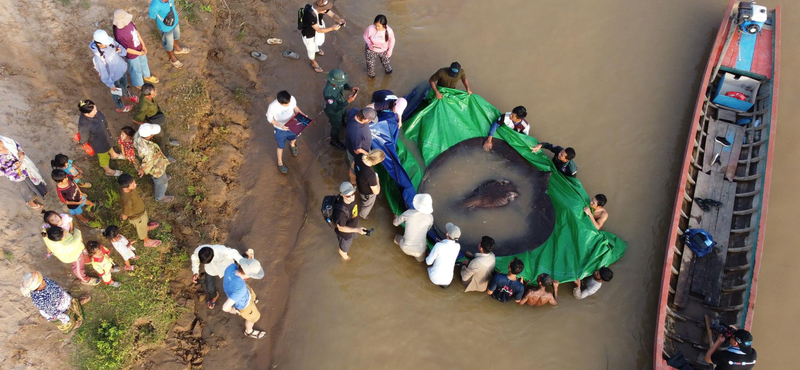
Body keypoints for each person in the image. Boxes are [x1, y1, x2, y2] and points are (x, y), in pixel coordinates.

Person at [20, 271, 91, 334]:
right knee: (68, 319)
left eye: (42, 279)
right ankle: (73, 325)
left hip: (61, 298)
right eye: (41, 282)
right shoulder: (42, 301)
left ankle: (75, 304)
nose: (44, 281)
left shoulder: (43, 281)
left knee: (71, 303)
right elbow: (54, 313)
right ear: (36, 288)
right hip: (58, 310)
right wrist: (65, 319)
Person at [90, 29, 136, 113]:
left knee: (125, 85)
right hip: (114, 79)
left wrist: (120, 51)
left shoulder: (110, 42)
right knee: (117, 94)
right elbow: (104, 74)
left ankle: (128, 96)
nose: (107, 44)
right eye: (105, 43)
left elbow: (123, 51)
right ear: (99, 44)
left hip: (122, 70)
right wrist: (111, 85)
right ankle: (120, 107)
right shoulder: (98, 58)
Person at [112, 9, 159, 89]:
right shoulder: (119, 33)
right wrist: (139, 53)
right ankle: (139, 83)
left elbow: (136, 33)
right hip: (131, 55)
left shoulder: (129, 23)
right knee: (135, 69)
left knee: (144, 62)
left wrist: (143, 45)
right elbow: (125, 49)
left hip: (139, 48)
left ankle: (147, 76)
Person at [191, 244, 246, 310]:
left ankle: (238, 298)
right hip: (210, 271)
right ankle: (214, 296)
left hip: (227, 269)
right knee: (210, 288)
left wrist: (244, 266)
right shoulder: (198, 250)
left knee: (235, 284)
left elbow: (234, 253)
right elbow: (194, 259)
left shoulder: (222, 250)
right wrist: (195, 272)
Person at [222, 259, 266, 339]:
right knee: (254, 317)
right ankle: (249, 331)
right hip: (244, 304)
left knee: (250, 292)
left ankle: (253, 300)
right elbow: (225, 307)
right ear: (249, 275)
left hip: (238, 292)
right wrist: (231, 309)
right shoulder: (240, 289)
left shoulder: (231, 267)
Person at [0, 136, 47, 210]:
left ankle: (40, 191)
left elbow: (16, 144)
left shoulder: (3, 139)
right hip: (16, 176)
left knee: (34, 180)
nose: (2, 146)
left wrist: (20, 151)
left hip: (26, 167)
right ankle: (31, 203)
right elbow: (2, 172)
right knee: (25, 190)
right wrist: (14, 167)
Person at [78, 100, 122, 176]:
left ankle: (113, 155)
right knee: (103, 157)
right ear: (86, 114)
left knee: (109, 144)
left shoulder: (94, 112)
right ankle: (108, 171)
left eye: (96, 109)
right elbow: (84, 138)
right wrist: (83, 143)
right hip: (99, 143)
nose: (96, 111)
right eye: (94, 111)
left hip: (105, 135)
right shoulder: (84, 125)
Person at [266, 90, 306, 174]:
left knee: (295, 136)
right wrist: (281, 126)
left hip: (293, 124)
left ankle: (292, 145)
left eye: (289, 102)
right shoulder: (272, 107)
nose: (288, 105)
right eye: (286, 104)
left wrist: (302, 114)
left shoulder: (292, 99)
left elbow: (295, 107)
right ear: (280, 102)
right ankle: (280, 163)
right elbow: (270, 120)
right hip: (280, 129)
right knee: (280, 146)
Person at [118, 173, 163, 248]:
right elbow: (125, 214)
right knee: (141, 229)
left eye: (134, 182)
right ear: (126, 187)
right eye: (132, 184)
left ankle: (146, 228)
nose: (135, 185)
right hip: (137, 217)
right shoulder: (127, 201)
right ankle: (147, 241)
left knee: (144, 220)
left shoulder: (127, 189)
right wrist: (124, 216)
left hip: (141, 212)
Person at [132, 83, 175, 159]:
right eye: (154, 92)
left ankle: (168, 141)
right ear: (147, 96)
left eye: (155, 90)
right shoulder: (143, 106)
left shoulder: (149, 96)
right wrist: (147, 125)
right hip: (153, 121)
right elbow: (135, 120)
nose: (156, 92)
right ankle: (164, 153)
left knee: (164, 130)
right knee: (160, 138)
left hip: (158, 116)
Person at [300, 0, 344, 73]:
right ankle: (313, 62)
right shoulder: (310, 14)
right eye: (325, 9)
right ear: (319, 9)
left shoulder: (321, 8)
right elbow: (319, 30)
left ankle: (316, 50)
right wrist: (332, 28)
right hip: (309, 34)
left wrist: (339, 20)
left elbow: (332, 15)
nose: (327, 11)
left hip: (317, 28)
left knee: (316, 43)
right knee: (311, 49)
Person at [134, 124, 174, 202]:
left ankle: (163, 177)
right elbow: (147, 165)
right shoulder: (148, 150)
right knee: (161, 182)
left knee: (162, 176)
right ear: (149, 136)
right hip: (156, 167)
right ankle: (160, 196)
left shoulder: (138, 134)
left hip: (155, 162)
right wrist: (142, 170)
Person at [149, 0, 190, 69]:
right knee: (169, 43)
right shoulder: (155, 5)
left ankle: (177, 49)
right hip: (165, 27)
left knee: (177, 36)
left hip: (175, 21)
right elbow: (152, 16)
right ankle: (172, 57)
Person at [393, 193, 434, 262]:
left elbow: (395, 223)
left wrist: (395, 217)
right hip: (419, 251)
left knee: (396, 237)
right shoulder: (430, 218)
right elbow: (428, 229)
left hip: (405, 248)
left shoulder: (408, 213)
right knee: (420, 261)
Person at [333, 182, 368, 261]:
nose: (352, 197)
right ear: (342, 195)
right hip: (345, 235)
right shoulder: (340, 213)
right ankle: (345, 259)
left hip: (353, 227)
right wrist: (357, 230)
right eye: (348, 196)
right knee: (343, 250)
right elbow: (341, 228)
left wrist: (357, 229)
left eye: (353, 194)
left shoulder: (351, 200)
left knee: (353, 237)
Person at [323, 69, 358, 149]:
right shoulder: (328, 93)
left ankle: (343, 123)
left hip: (342, 105)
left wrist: (350, 88)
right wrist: (348, 101)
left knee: (344, 115)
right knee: (336, 127)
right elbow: (335, 108)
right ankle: (334, 141)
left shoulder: (338, 82)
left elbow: (344, 84)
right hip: (334, 111)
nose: (340, 84)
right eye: (339, 83)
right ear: (333, 82)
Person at [345, 107, 377, 183]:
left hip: (351, 141)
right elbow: (357, 150)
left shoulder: (354, 111)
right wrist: (368, 154)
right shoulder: (356, 132)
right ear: (365, 119)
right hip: (357, 154)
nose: (370, 122)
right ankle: (353, 182)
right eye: (370, 120)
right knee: (355, 168)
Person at [426, 222, 461, 288]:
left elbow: (428, 262)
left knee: (429, 254)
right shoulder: (458, 246)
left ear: (447, 234)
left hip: (434, 278)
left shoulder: (438, 245)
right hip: (448, 280)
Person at [354, 149, 385, 219]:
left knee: (363, 199)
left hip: (360, 185)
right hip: (367, 194)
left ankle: (361, 201)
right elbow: (376, 192)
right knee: (367, 206)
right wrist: (377, 179)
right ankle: (363, 215)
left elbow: (353, 166)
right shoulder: (371, 175)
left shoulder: (359, 156)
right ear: (376, 162)